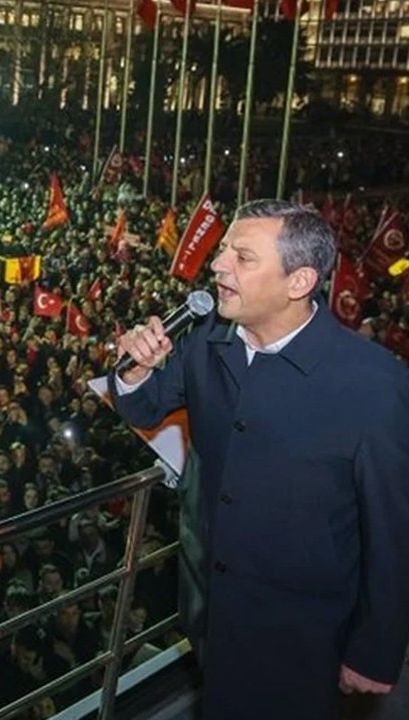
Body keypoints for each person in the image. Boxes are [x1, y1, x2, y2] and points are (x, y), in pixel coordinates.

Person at [111, 199, 409, 720]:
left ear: (299, 282)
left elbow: (394, 530)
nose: (219, 264)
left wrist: (376, 647)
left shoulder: (376, 385)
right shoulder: (209, 339)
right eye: (224, 248)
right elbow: (146, 403)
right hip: (213, 609)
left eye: (242, 257)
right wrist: (134, 370)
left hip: (306, 635)